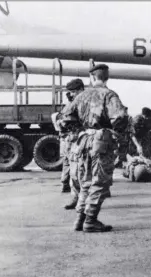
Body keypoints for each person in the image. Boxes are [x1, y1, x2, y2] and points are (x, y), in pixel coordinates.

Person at [61, 64, 129, 232]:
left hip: (83, 141)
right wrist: (115, 134)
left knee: (86, 182)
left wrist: (79, 132)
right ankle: (90, 220)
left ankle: (79, 219)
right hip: (102, 142)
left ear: (92, 77)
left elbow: (66, 119)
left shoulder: (81, 96)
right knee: (100, 182)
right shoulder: (109, 95)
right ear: (106, 77)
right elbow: (120, 118)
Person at [57, 78, 85, 209]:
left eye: (73, 92)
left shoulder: (84, 101)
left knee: (83, 172)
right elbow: (63, 118)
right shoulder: (73, 102)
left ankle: (84, 202)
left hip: (83, 140)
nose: (71, 94)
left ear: (79, 90)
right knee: (74, 172)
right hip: (73, 140)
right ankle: (76, 199)